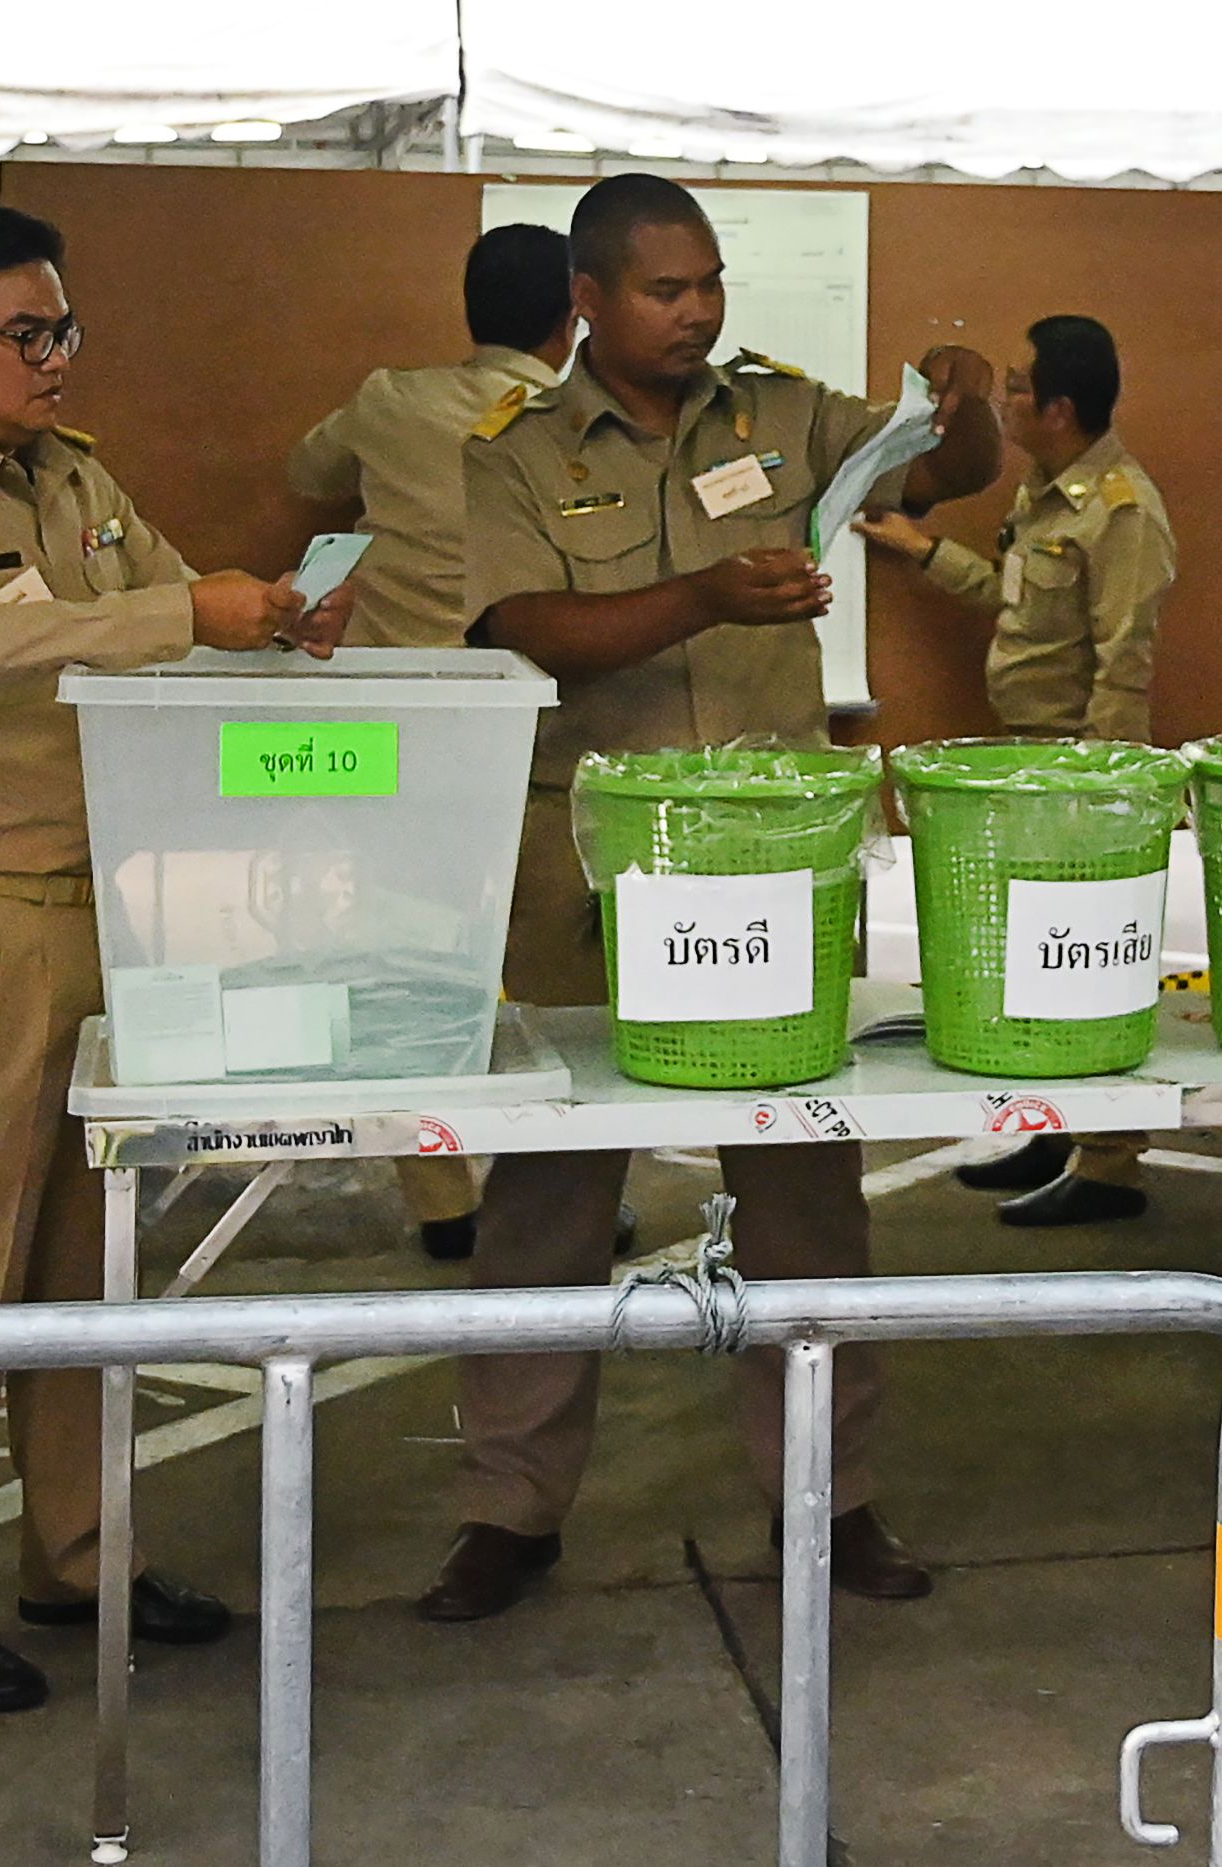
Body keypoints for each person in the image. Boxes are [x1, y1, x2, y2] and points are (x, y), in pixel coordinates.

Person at [428, 172, 1002, 1622]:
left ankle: (831, 1496)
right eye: (664, 290)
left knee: (806, 1180)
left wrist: (969, 401)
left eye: (710, 285)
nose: (696, 313)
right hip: (590, 870)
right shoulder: (515, 450)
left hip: (770, 864)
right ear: (588, 298)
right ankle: (510, 1507)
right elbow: (528, 628)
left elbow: (939, 473)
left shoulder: (783, 417)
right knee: (549, 1193)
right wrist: (704, 594)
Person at [0, 204, 348, 1715]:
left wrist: (269, 622)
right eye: (24, 336)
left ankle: (80, 1552)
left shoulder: (81, 478)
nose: (53, 362)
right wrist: (185, 611)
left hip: (104, 906)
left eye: (64, 334)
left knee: (84, 1266)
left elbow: (158, 605)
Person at [288, 222, 580, 1262]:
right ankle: (551, 1196)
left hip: (384, 728)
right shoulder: (575, 422)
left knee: (406, 959)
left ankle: (442, 1200)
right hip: (521, 734)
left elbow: (305, 467)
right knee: (549, 972)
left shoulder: (387, 400)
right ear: (572, 315)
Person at [854, 314, 1176, 1226]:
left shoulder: (1121, 508)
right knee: (1037, 959)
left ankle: (1110, 1165)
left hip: (1076, 766)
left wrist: (1098, 790)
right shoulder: (1048, 491)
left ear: (1062, 408)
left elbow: (1125, 658)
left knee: (1080, 958)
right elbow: (1011, 596)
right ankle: (1055, 1128)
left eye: (1023, 389)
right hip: (1030, 763)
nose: (1008, 401)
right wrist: (922, 550)